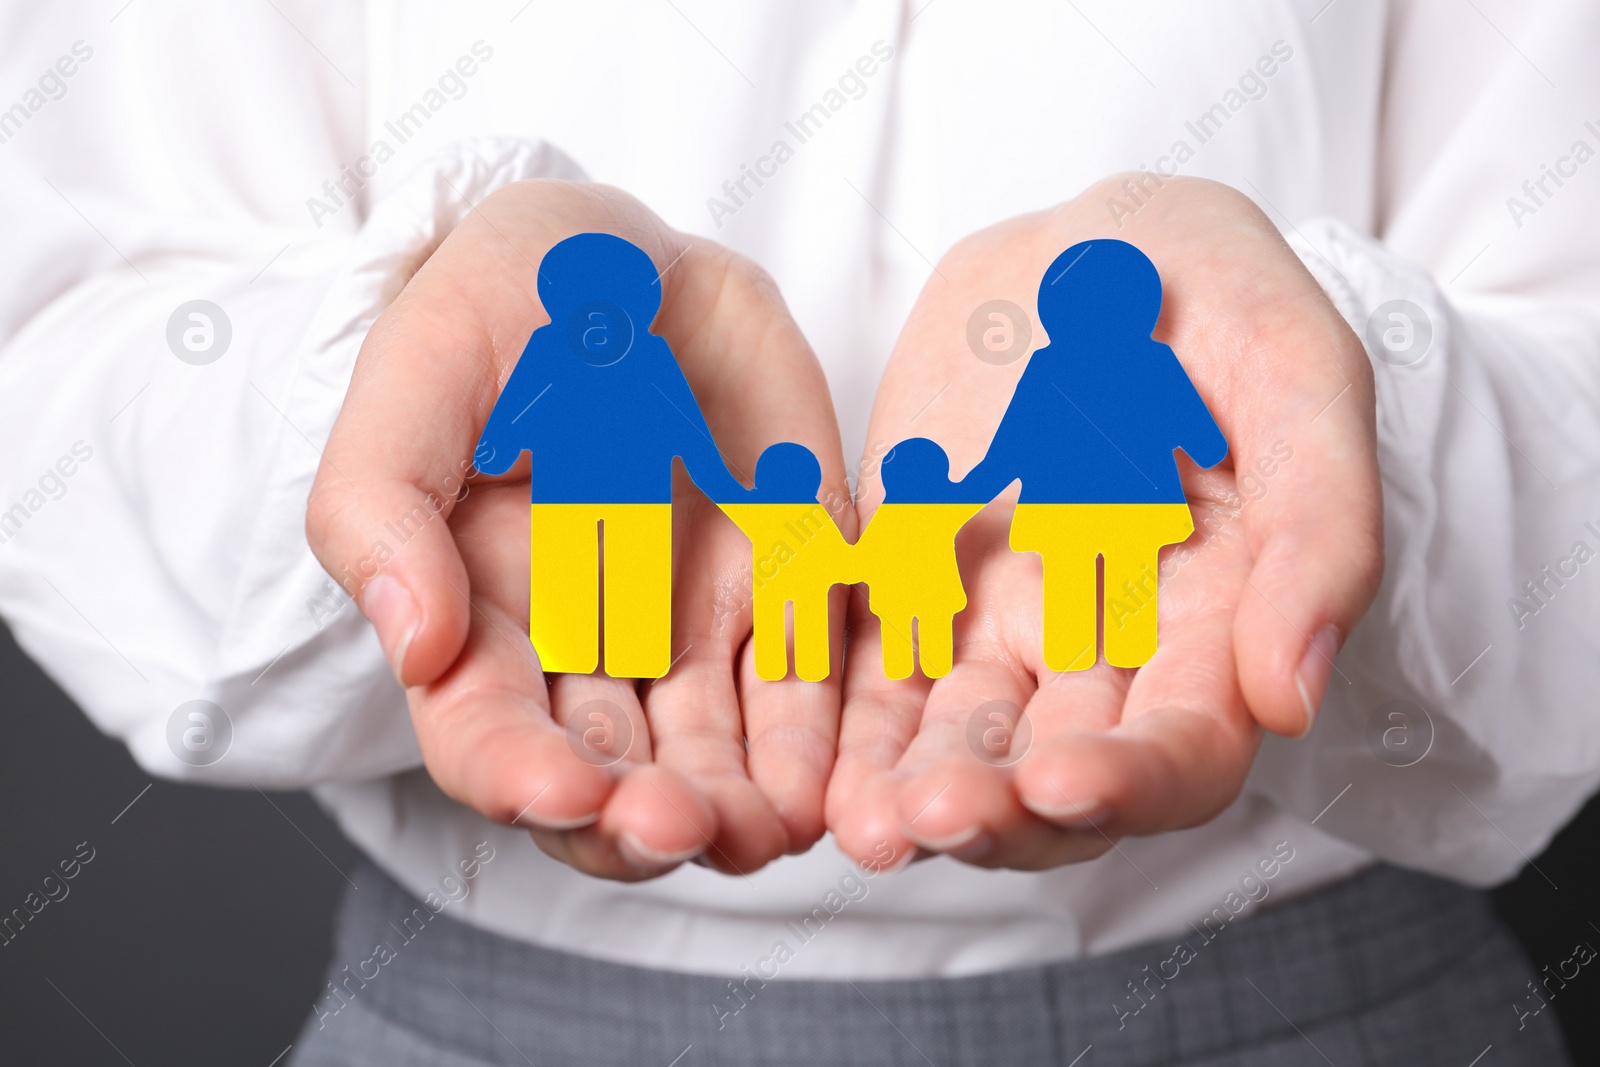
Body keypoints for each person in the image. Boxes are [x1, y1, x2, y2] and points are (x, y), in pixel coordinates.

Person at [0, 5, 1595, 1065]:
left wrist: (1337, 417)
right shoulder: (568, 351)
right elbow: (62, 355)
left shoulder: (1076, 372)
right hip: (483, 978)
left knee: (1084, 589)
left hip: (1341, 997)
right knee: (623, 596)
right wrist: (393, 397)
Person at [475, 231, 743, 678]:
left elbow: (685, 423)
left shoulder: (650, 354)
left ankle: (631, 649)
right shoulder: (547, 348)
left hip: (630, 489)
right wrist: (499, 443)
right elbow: (520, 403)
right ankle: (567, 648)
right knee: (569, 572)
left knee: (635, 573)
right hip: (572, 487)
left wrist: (719, 482)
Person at [964, 239, 1228, 670]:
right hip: (1139, 504)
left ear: (1054, 309)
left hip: (1062, 505)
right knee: (1131, 574)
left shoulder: (1047, 366)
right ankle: (1128, 648)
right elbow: (1206, 444)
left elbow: (1012, 445)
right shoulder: (1154, 360)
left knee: (1070, 576)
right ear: (1144, 306)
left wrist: (968, 492)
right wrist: (1207, 451)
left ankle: (1073, 650)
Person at [717, 442, 855, 682]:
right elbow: (833, 547)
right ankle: (802, 664)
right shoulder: (811, 511)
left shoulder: (766, 507)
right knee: (801, 616)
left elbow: (725, 492)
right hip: (798, 581)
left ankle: (789, 664)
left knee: (781, 617)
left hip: (777, 579)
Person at [854, 437, 986, 679]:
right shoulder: (942, 506)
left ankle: (917, 665)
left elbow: (865, 554)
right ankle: (921, 665)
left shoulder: (890, 514)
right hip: (929, 591)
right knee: (923, 626)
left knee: (910, 628)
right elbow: (980, 486)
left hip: (901, 594)